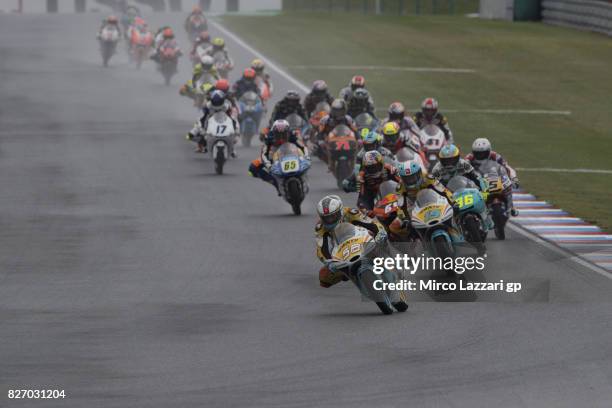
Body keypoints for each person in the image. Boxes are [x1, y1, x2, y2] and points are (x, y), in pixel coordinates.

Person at [315, 195, 386, 288]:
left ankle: (387, 265)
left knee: (381, 243)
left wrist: (380, 233)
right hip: (341, 248)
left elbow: (372, 224)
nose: (330, 220)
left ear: (340, 211)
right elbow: (321, 248)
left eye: (333, 216)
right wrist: (329, 262)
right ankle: (347, 273)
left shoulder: (350, 212)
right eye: (326, 218)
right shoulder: (320, 227)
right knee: (324, 279)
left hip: (361, 240)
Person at [248, 120, 306, 194]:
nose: (281, 137)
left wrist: (305, 156)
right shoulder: (269, 137)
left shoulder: (293, 135)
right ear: (274, 133)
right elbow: (264, 153)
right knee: (252, 168)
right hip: (274, 154)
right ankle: (276, 183)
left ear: (288, 133)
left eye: (284, 134)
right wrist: (267, 163)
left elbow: (302, 147)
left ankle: (302, 178)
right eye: (278, 135)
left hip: (291, 153)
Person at [466, 138, 519, 216]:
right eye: (478, 153)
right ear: (473, 152)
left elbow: (507, 167)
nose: (481, 155)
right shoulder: (469, 158)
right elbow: (463, 169)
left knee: (507, 185)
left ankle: (510, 206)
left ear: (489, 151)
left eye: (483, 153)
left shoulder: (495, 156)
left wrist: (514, 178)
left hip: (492, 179)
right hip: (477, 181)